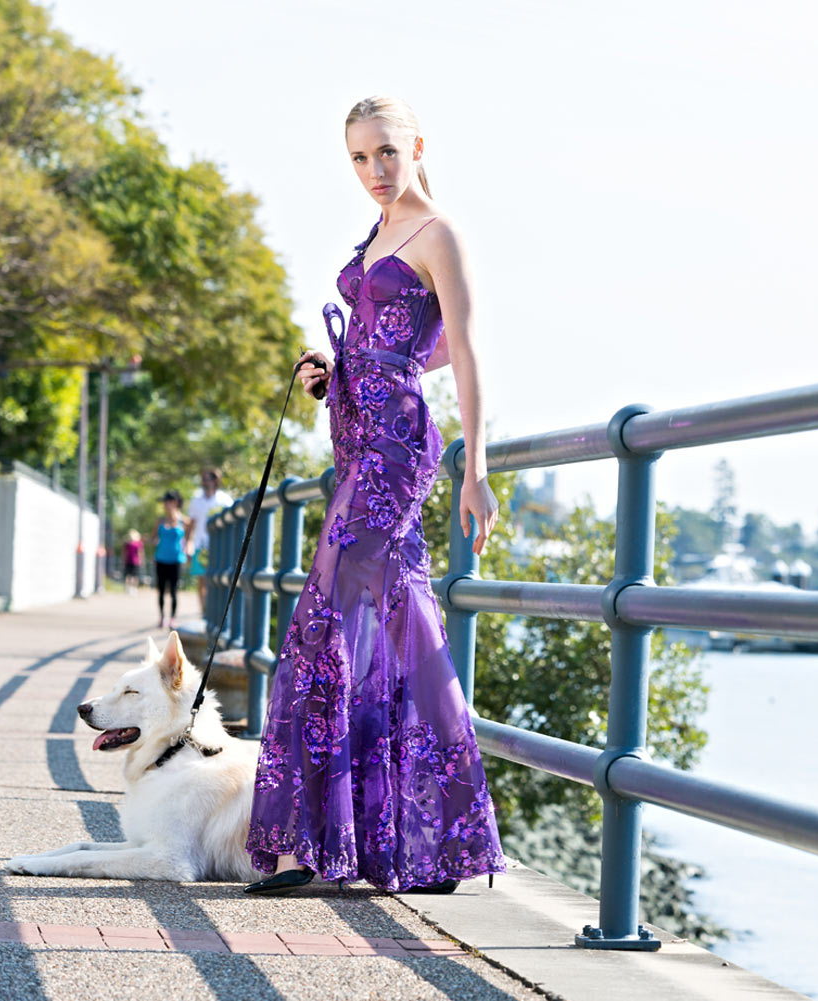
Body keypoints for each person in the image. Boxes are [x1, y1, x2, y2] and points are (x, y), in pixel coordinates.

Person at [243, 95, 505, 896]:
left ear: (417, 146)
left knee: (330, 618)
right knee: (386, 622)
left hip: (395, 447)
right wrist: (336, 373)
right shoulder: (379, 234)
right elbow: (398, 349)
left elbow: (462, 351)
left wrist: (476, 468)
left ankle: (327, 845)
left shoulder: (438, 233)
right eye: (359, 158)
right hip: (357, 436)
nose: (374, 171)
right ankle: (415, 845)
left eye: (386, 153)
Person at [186, 466, 234, 612]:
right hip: (201, 545)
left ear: (216, 480)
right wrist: (187, 544)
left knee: (217, 579)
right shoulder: (196, 501)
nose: (206, 482)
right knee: (201, 579)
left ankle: (216, 610)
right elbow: (191, 524)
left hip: (220, 546)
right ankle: (204, 611)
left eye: (209, 479)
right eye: (204, 479)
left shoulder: (225, 500)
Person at [154, 490, 187, 629]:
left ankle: (173, 618)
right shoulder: (160, 521)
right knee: (161, 590)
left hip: (176, 559)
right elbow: (154, 537)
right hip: (161, 558)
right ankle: (162, 617)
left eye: (170, 501)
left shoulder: (184, 521)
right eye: (166, 502)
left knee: (173, 590)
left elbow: (188, 540)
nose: (167, 504)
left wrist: (188, 551)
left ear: (176, 502)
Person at [122, 529, 145, 595]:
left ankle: (133, 588)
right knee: (129, 575)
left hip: (135, 561)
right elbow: (124, 553)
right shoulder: (127, 543)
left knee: (134, 576)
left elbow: (140, 552)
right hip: (129, 561)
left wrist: (141, 560)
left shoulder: (138, 543)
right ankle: (129, 588)